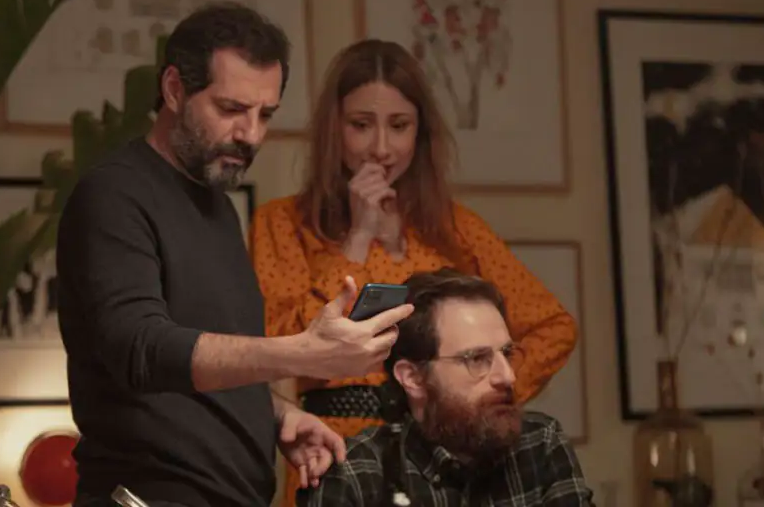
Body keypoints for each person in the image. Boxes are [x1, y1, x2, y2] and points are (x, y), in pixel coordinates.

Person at [55, 3, 414, 507]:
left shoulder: (219, 207)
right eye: (230, 109)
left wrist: (277, 414)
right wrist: (304, 352)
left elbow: (205, 362)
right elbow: (140, 348)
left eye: (265, 114)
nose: (251, 134)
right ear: (174, 89)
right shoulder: (115, 194)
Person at [248, 39, 579, 505]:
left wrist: (477, 398)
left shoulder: (456, 228)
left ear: (420, 132)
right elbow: (278, 345)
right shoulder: (282, 223)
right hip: (336, 448)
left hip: (446, 457)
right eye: (361, 125)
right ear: (334, 129)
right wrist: (358, 238)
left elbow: (554, 328)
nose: (381, 148)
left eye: (399, 126)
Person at [298, 268, 593, 506]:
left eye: (506, 353)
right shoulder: (355, 475)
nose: (507, 377)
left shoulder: (540, 444)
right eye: (477, 359)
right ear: (412, 378)